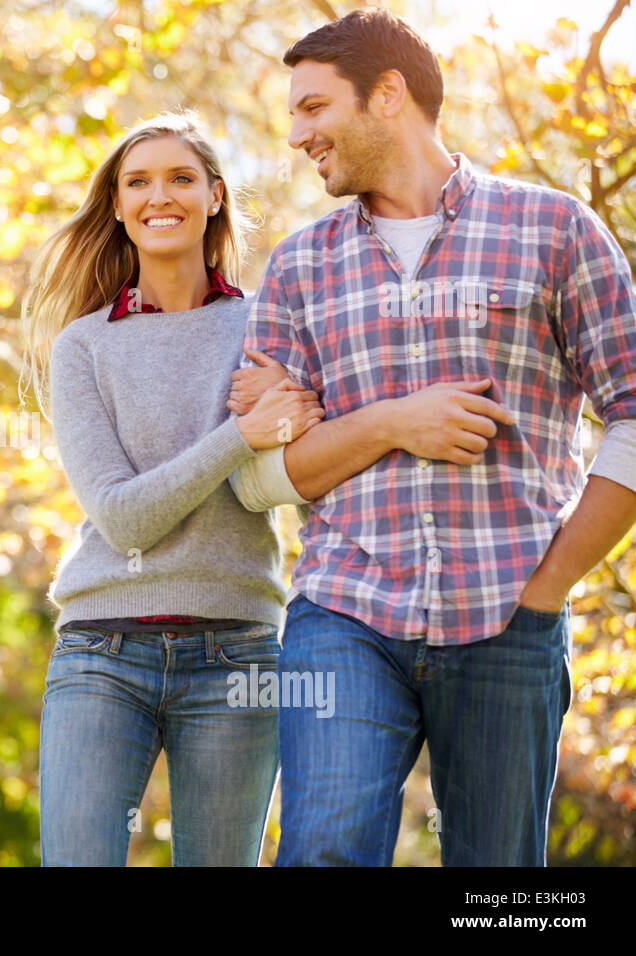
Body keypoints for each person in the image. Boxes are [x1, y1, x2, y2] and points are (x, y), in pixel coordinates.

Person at [226, 9, 636, 866]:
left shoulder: (553, 231)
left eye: (311, 108)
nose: (297, 135)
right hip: (345, 611)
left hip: (509, 615)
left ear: (387, 95)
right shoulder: (301, 266)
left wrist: (550, 587)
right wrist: (389, 422)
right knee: (323, 850)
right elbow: (261, 480)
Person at [17, 108, 324, 866]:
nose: (162, 196)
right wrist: (239, 435)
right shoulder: (85, 344)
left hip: (239, 655)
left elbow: (297, 472)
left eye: (182, 178)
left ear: (215, 196)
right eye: (140, 182)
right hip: (101, 653)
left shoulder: (267, 326)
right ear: (118, 206)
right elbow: (123, 518)